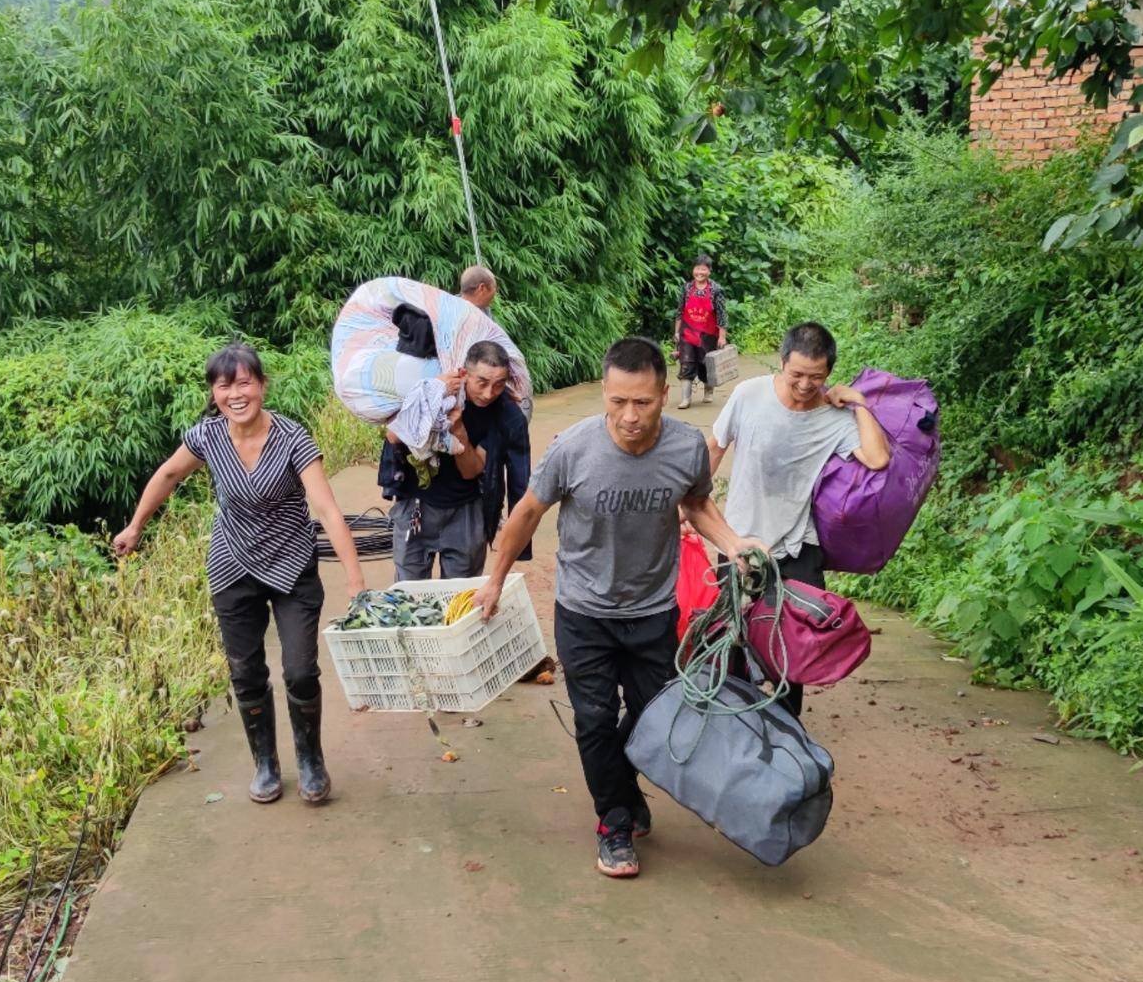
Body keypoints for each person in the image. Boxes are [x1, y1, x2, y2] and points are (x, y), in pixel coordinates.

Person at [475, 337, 766, 879]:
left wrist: (733, 544)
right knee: (594, 719)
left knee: (655, 716)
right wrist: (494, 579)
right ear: (605, 394)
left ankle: (623, 785)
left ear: (664, 395)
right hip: (584, 611)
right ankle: (613, 822)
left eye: (643, 403)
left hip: (652, 609)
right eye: (618, 402)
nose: (630, 416)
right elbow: (528, 512)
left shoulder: (685, 447)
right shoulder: (573, 449)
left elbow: (696, 502)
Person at [114, 343, 368, 805]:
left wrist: (355, 582)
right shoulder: (207, 436)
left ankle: (310, 760)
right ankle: (265, 764)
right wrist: (135, 526)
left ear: (262, 386)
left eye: (244, 383)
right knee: (246, 671)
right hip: (232, 565)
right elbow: (168, 475)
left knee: (300, 671)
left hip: (292, 564)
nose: (235, 394)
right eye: (224, 385)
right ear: (214, 393)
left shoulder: (292, 438)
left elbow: (327, 510)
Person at [708, 322, 891, 718]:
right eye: (797, 375)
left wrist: (860, 403)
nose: (806, 385)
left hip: (797, 547)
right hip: (739, 542)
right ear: (782, 362)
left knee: (792, 649)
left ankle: (785, 731)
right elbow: (715, 448)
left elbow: (878, 458)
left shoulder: (834, 418)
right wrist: (690, 507)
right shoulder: (748, 395)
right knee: (733, 644)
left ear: (829, 373)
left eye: (817, 377)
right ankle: (735, 728)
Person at [383, 341, 522, 580]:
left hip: (465, 512)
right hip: (416, 507)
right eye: (482, 383)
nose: (489, 393)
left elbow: (472, 470)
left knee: (461, 594)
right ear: (464, 373)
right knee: (409, 593)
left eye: (499, 385)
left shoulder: (502, 414)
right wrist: (434, 391)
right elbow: (393, 436)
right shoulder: (431, 388)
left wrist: (457, 429)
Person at [673, 254, 727, 410]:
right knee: (686, 363)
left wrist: (722, 336)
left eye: (703, 269)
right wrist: (677, 332)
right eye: (697, 269)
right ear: (693, 270)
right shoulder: (686, 288)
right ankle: (686, 399)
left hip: (708, 335)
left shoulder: (716, 290)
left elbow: (722, 315)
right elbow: (680, 311)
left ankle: (708, 391)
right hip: (687, 333)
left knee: (706, 364)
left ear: (709, 271)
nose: (700, 272)